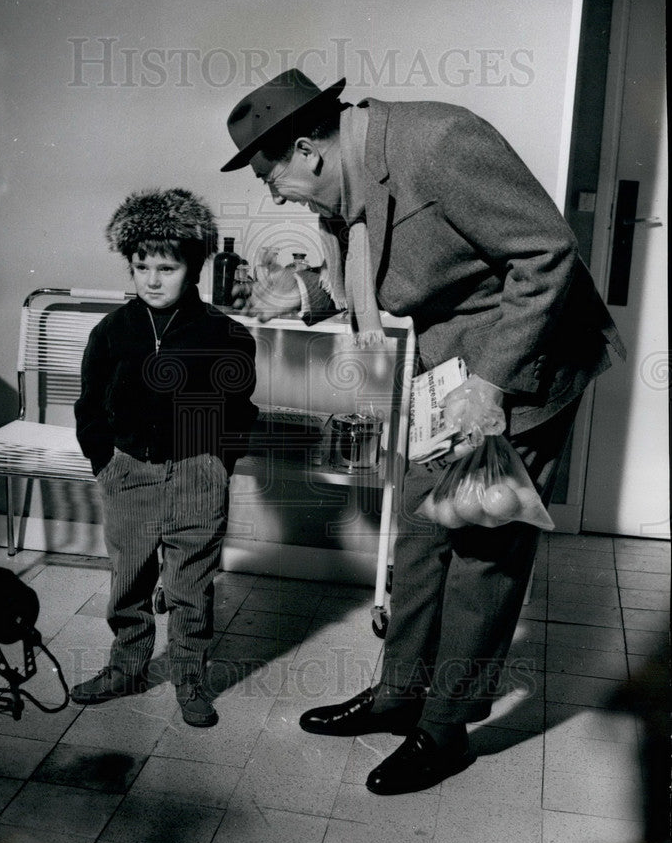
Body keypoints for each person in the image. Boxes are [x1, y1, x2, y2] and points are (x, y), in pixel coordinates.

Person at [221, 68, 625, 791]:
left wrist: (489, 382)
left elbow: (545, 252)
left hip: (525, 364)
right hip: (448, 368)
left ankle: (444, 731)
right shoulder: (349, 181)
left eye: (273, 180)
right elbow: (376, 272)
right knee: (418, 534)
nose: (278, 196)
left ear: (308, 150)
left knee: (480, 552)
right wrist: (305, 291)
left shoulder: (438, 142)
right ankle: (398, 695)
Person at [71, 188, 258, 726]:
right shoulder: (110, 332)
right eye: (141, 266)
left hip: (199, 472)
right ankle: (126, 667)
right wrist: (104, 461)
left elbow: (239, 409)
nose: (153, 279)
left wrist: (217, 464)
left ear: (193, 268)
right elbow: (89, 404)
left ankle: (190, 675)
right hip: (128, 470)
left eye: (167, 267)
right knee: (128, 576)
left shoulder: (225, 336)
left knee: (189, 585)